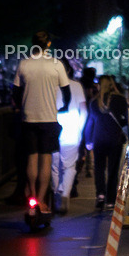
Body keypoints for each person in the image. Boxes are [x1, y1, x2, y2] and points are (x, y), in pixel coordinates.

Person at [12, 30, 71, 213]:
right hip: (48, 118)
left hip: (28, 118)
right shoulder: (56, 64)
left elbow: (16, 91)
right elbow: (66, 91)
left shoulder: (24, 64)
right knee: (46, 159)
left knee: (31, 157)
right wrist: (64, 106)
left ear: (33, 44)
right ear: (48, 44)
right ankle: (41, 200)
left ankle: (31, 195)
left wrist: (20, 107)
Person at [84, 74, 129, 210]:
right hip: (115, 139)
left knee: (99, 168)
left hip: (99, 139)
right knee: (113, 170)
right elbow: (124, 121)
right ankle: (110, 200)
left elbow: (90, 122)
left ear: (99, 86)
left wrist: (88, 139)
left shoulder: (94, 102)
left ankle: (100, 195)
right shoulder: (121, 99)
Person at [51, 64, 87, 214]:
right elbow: (84, 111)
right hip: (72, 128)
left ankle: (56, 194)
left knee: (54, 165)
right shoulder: (76, 86)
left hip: (54, 127)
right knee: (70, 166)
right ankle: (65, 193)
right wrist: (80, 130)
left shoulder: (50, 86)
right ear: (69, 70)